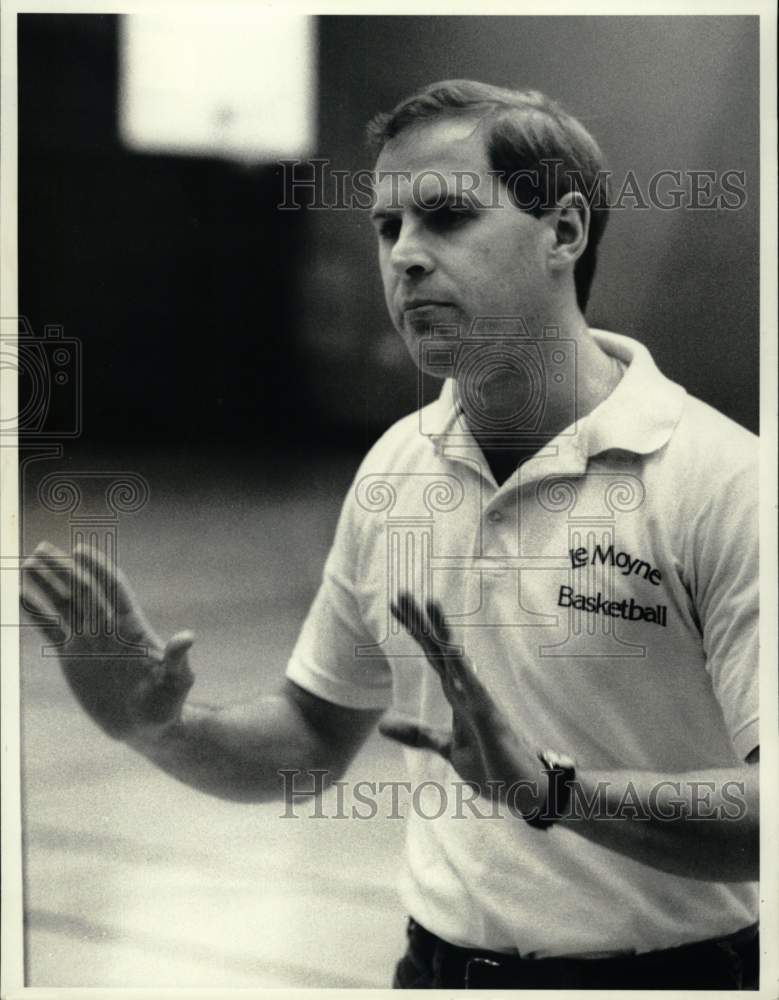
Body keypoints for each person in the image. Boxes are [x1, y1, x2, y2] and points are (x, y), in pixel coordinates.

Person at [22, 80, 759, 989]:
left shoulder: (722, 480)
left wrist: (554, 793)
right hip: (434, 969)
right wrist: (158, 727)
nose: (404, 257)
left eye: (446, 218)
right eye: (386, 227)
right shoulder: (396, 468)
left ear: (562, 233)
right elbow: (308, 735)